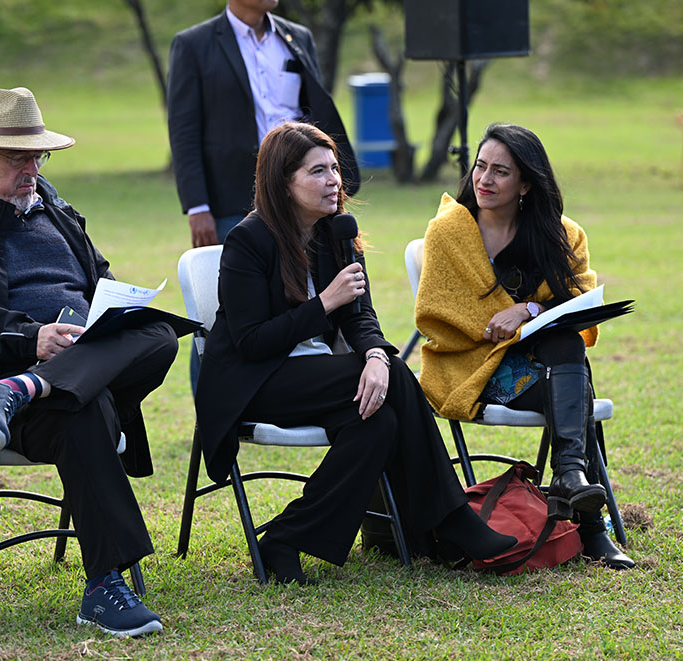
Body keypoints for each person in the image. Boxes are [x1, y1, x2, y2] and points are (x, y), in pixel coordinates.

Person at [0, 87, 179, 636]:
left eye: (38, 156)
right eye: (17, 158)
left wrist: (116, 310)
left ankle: (26, 388)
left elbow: (102, 282)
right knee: (86, 411)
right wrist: (30, 340)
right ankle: (104, 585)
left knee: (161, 332)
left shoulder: (59, 212)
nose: (32, 168)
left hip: (52, 382)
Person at [194, 122, 517, 584]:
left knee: (379, 423)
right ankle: (450, 520)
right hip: (253, 382)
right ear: (284, 183)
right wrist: (323, 302)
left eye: (334, 170)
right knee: (402, 381)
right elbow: (250, 342)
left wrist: (374, 357)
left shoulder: (337, 233)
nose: (334, 181)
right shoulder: (250, 240)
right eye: (317, 172)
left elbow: (361, 316)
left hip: (320, 377)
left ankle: (283, 539)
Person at [415, 122, 634, 569]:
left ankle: (570, 477)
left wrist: (528, 312)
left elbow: (575, 298)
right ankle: (589, 524)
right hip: (473, 367)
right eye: (480, 167)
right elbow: (438, 313)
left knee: (565, 343)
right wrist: (515, 319)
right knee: (574, 388)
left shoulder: (559, 234)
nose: (484, 180)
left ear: (526, 184)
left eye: (500, 171)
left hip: (543, 366)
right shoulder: (449, 232)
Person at [167, 0, 360, 390]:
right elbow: (184, 131)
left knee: (295, 288)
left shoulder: (296, 37)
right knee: (225, 307)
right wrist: (198, 206)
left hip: (297, 193)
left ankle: (295, 379)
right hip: (231, 197)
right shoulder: (195, 43)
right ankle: (215, 401)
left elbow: (313, 113)